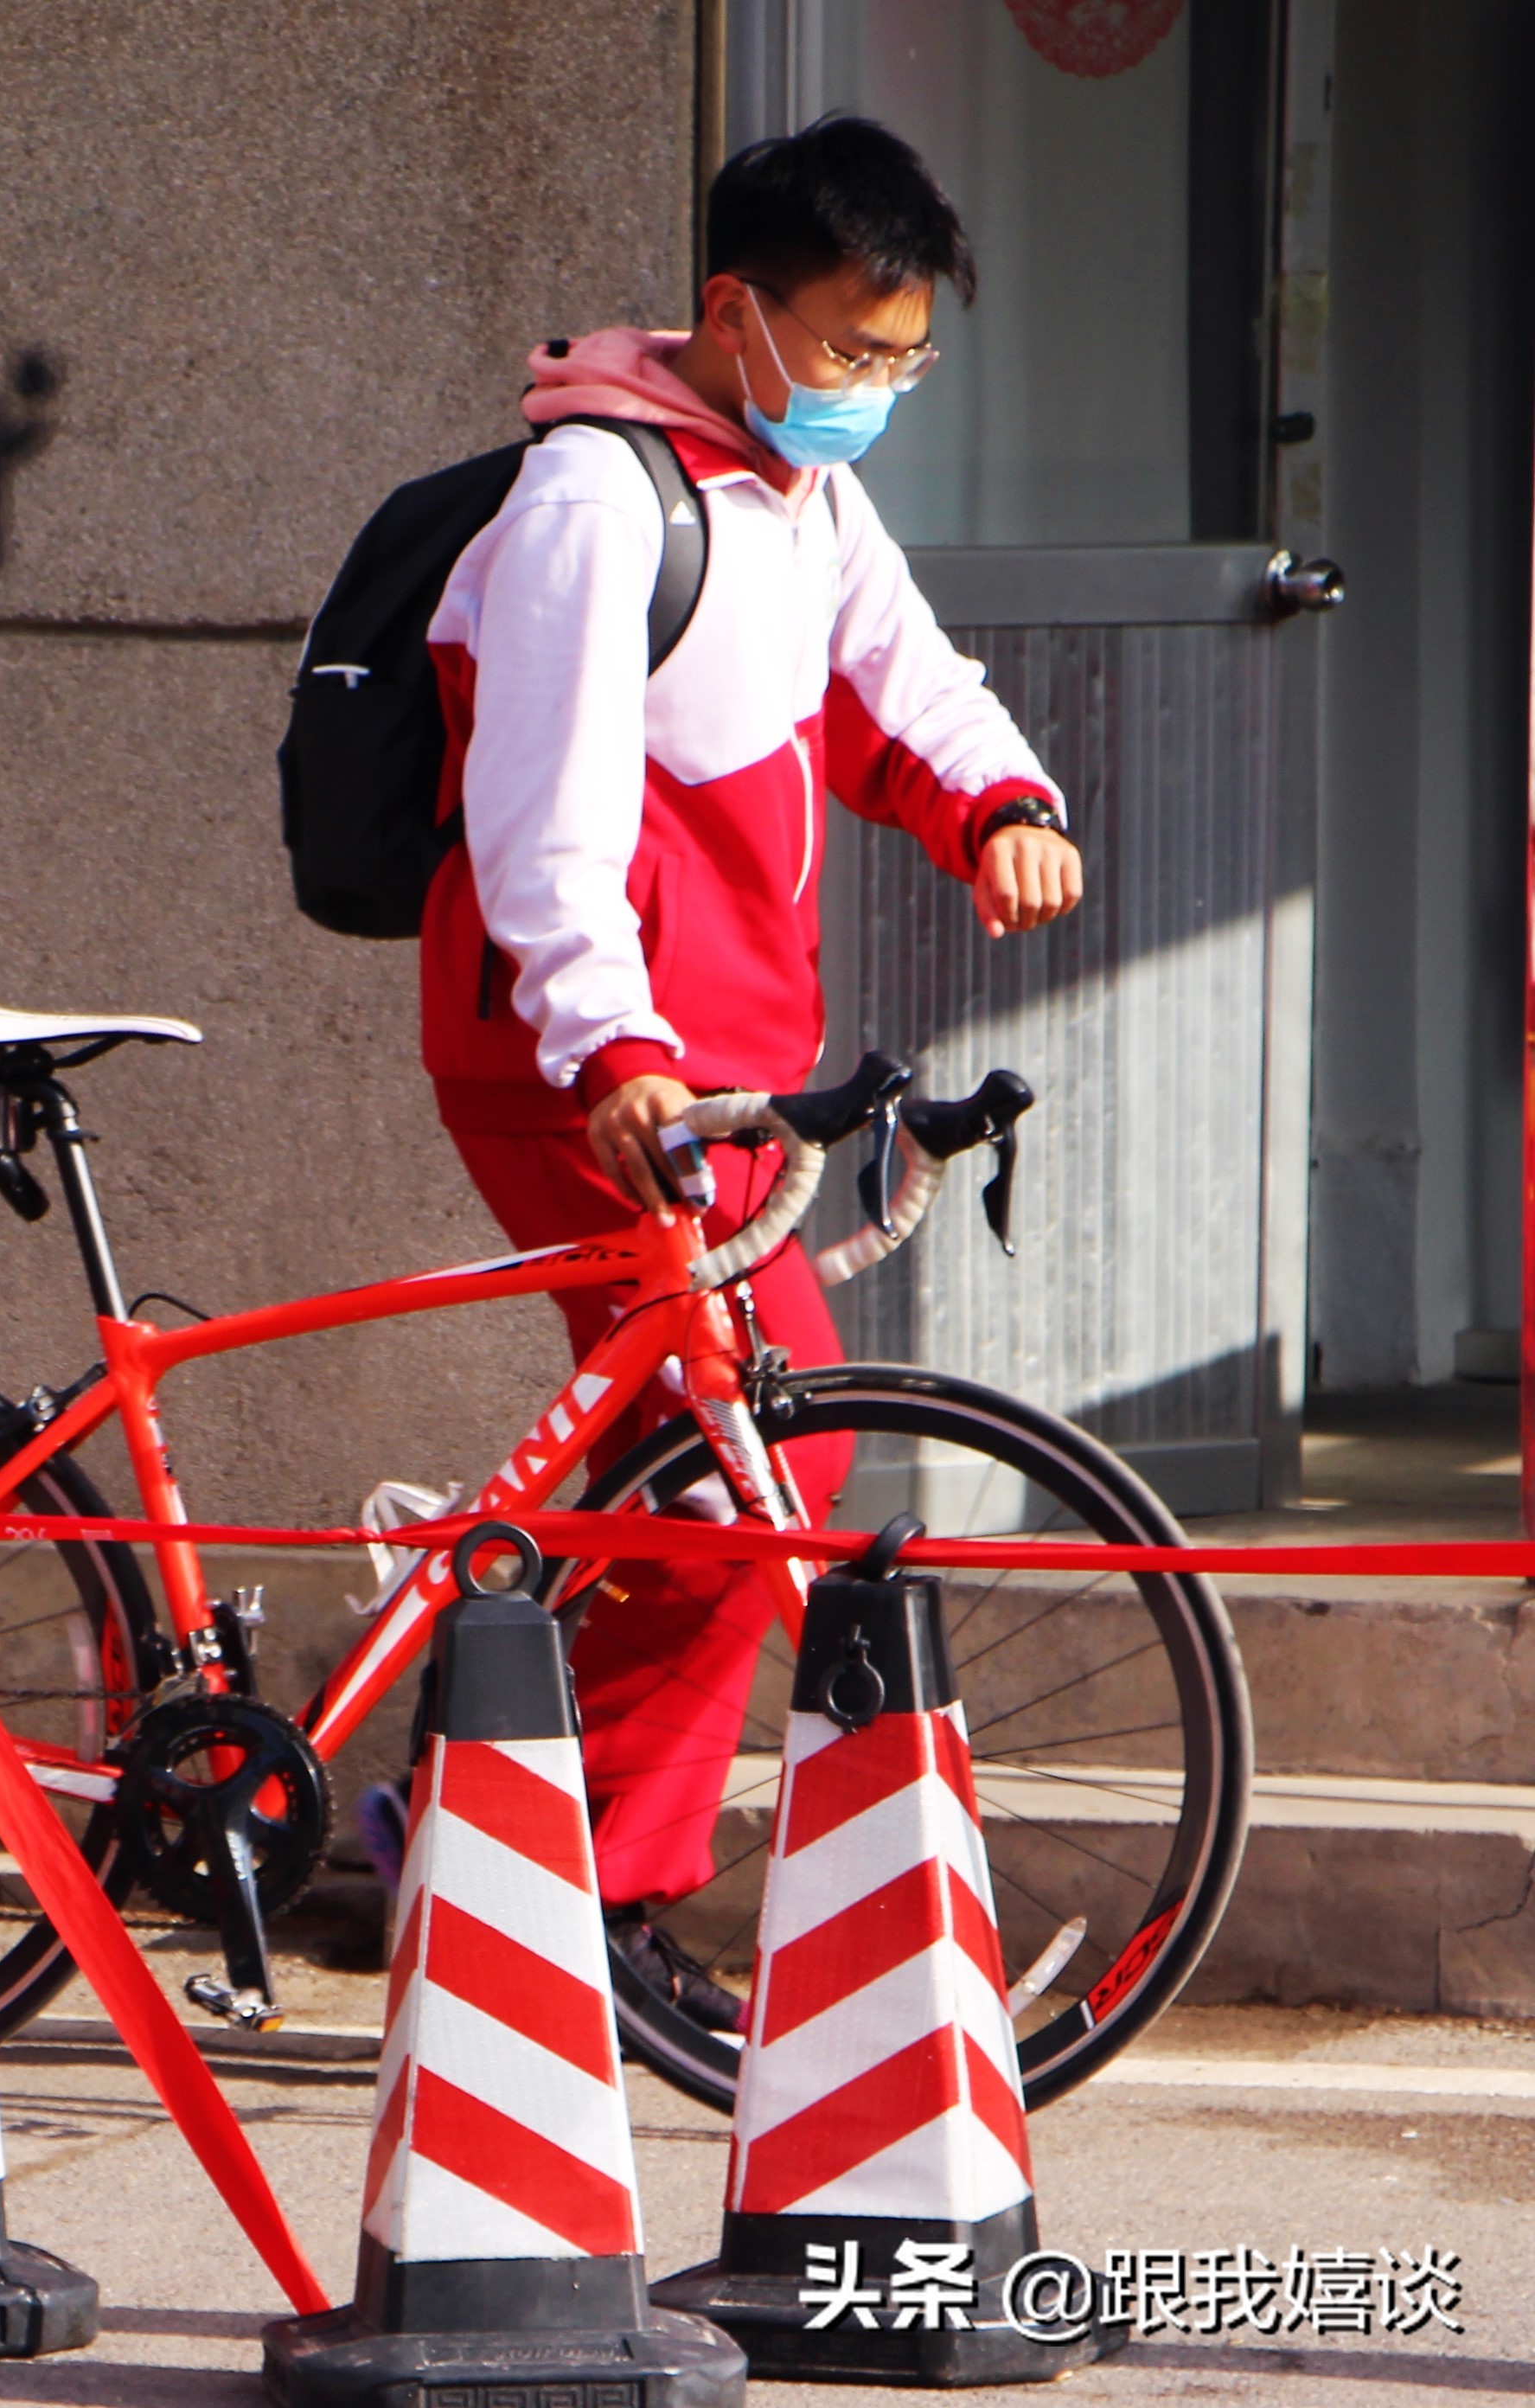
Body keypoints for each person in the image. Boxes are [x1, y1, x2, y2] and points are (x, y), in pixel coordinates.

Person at [395, 118, 1084, 2021]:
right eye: (852, 354)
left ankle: (477, 1839)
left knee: (695, 1475)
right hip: (579, 1068)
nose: (875, 395)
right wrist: (607, 1040)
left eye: (905, 362)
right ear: (734, 312)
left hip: (721, 1078)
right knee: (750, 1467)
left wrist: (998, 800)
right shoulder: (595, 508)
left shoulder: (802, 497)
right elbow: (542, 816)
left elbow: (903, 684)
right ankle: (578, 1897)